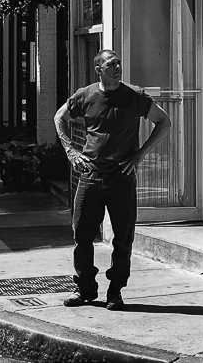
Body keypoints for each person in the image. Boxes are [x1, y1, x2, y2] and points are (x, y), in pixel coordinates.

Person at [53, 49, 171, 312]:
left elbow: (164, 122)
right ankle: (85, 288)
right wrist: (71, 151)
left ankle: (115, 290)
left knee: (123, 237)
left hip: (122, 177)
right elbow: (59, 118)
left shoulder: (135, 96)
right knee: (81, 234)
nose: (117, 68)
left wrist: (140, 155)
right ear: (99, 69)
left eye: (118, 64)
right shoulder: (86, 95)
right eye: (111, 64)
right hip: (91, 175)